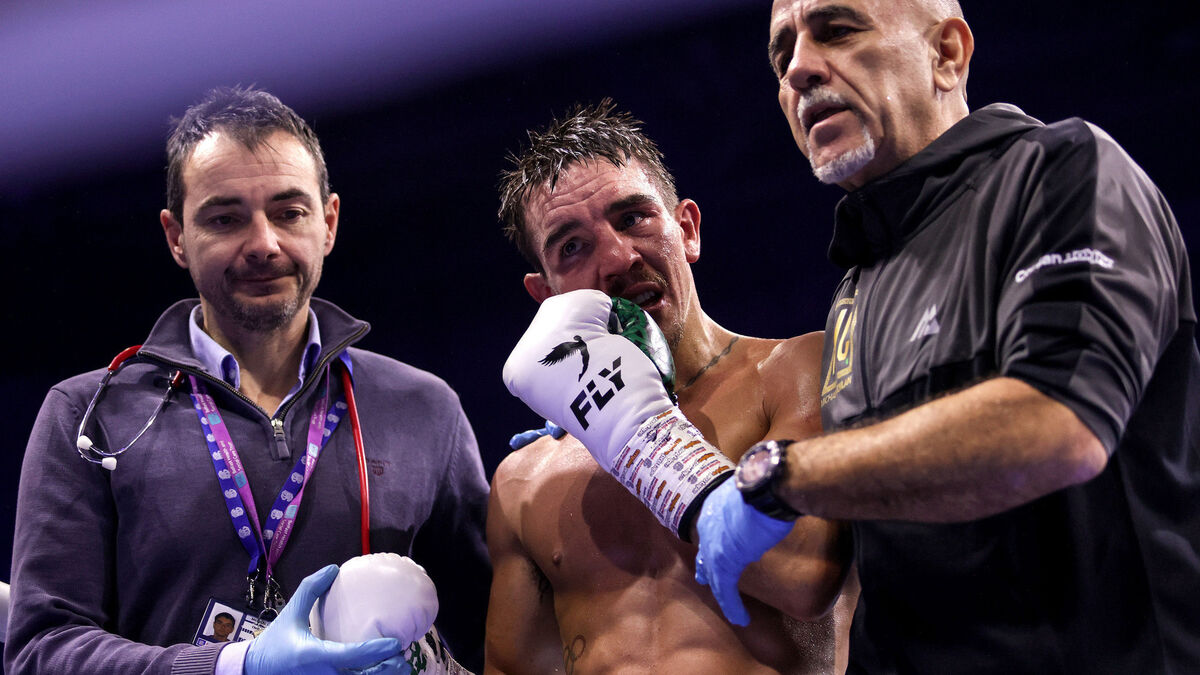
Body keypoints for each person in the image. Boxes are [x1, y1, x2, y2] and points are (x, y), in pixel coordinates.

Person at [693, 1, 1200, 672]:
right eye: (782, 54)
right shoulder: (855, 293)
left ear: (947, 55)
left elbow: (1058, 423)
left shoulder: (1061, 172)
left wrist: (781, 475)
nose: (799, 70)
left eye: (836, 31)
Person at [5, 87, 491, 674]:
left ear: (329, 222)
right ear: (176, 237)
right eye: (225, 219)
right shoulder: (88, 417)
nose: (263, 244)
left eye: (289, 213)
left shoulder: (422, 407)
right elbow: (41, 652)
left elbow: (497, 641)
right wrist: (236, 667)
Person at [490, 101, 854, 673]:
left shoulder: (797, 372)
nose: (617, 258)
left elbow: (804, 574)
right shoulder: (524, 481)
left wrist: (640, 438)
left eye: (633, 217)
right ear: (546, 296)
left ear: (687, 230)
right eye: (572, 247)